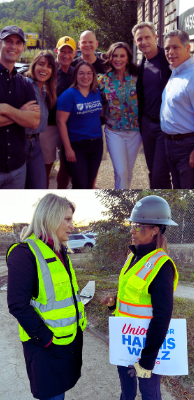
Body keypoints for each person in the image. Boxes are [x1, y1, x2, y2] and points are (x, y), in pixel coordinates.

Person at [7, 193, 86, 400]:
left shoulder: (59, 251)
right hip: (45, 347)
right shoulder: (24, 253)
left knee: (60, 393)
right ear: (50, 217)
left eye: (72, 220)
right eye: (67, 219)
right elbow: (17, 305)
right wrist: (48, 341)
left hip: (67, 342)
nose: (72, 226)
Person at [102, 195, 177, 400]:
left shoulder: (162, 266)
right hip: (126, 342)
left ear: (155, 229)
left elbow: (162, 317)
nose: (132, 230)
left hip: (146, 348)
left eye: (138, 225)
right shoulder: (133, 257)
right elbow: (134, 297)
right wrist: (113, 303)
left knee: (149, 394)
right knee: (126, 393)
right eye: (132, 224)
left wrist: (147, 360)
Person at [0, 25, 41, 188]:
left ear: (23, 48)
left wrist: (5, 109)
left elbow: (34, 121)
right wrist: (21, 115)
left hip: (18, 169)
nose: (13, 46)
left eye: (18, 43)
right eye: (9, 41)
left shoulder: (24, 83)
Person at [134, 22, 172, 189]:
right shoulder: (142, 64)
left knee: (160, 174)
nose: (144, 42)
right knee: (152, 171)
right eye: (139, 39)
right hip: (147, 125)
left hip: (165, 127)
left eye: (147, 37)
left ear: (156, 37)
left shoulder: (168, 59)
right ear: (136, 42)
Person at [99, 42, 141, 189]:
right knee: (121, 171)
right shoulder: (104, 80)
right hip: (114, 131)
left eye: (122, 56)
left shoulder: (138, 77)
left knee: (128, 172)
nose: (118, 59)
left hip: (135, 132)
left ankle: (123, 192)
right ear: (110, 58)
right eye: (115, 56)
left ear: (128, 58)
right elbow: (98, 102)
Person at [57, 61, 104, 189]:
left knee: (90, 184)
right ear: (75, 76)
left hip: (96, 145)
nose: (85, 76)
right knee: (80, 185)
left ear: (93, 75)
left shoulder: (96, 93)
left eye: (89, 73)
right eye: (81, 73)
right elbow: (60, 122)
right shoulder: (68, 95)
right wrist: (68, 149)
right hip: (77, 146)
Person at [160, 30, 194, 189]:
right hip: (171, 144)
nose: (170, 52)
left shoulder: (192, 75)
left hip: (187, 147)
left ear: (187, 48)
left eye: (175, 47)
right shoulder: (176, 71)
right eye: (167, 48)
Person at [41, 37, 76, 188]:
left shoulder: (76, 73)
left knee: (66, 165)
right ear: (56, 51)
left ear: (75, 53)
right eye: (63, 51)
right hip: (49, 125)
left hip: (68, 127)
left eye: (70, 52)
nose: (66, 55)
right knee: (46, 164)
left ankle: (61, 192)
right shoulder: (49, 70)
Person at [24, 51, 57, 189]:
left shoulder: (45, 90)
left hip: (36, 143)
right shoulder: (24, 84)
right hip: (21, 142)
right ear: (34, 65)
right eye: (41, 64)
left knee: (40, 185)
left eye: (49, 66)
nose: (44, 69)